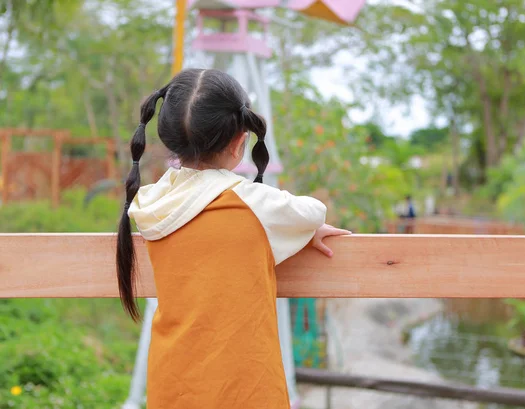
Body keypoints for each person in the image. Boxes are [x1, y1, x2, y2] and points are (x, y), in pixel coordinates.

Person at [115, 69, 350, 409]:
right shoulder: (252, 203)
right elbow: (313, 211)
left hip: (173, 386)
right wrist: (305, 232)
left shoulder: (151, 203)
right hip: (246, 389)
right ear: (241, 142)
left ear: (168, 140)